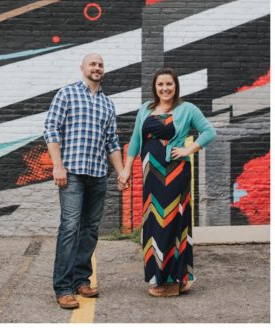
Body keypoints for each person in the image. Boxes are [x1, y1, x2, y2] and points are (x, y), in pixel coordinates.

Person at [118, 69, 215, 297]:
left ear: (175, 86)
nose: (165, 88)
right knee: (153, 224)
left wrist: (189, 149)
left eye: (169, 84)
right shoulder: (146, 109)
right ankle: (159, 277)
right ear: (155, 87)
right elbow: (135, 140)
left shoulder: (187, 109)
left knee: (173, 222)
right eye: (160, 84)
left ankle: (173, 280)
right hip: (151, 175)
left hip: (175, 173)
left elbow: (209, 131)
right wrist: (126, 168)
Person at [44, 53, 125, 311]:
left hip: (98, 174)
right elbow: (51, 128)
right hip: (72, 173)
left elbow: (112, 142)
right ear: (83, 68)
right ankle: (63, 288)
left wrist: (122, 173)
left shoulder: (108, 105)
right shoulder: (67, 94)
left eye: (101, 64)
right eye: (93, 64)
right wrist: (58, 165)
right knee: (70, 227)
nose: (97, 67)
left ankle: (81, 280)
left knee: (90, 229)